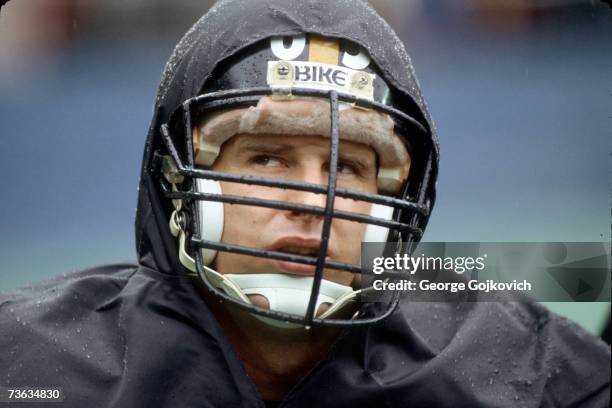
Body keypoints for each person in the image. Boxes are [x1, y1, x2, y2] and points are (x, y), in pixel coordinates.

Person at [1, 1, 609, 407]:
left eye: (345, 167)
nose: (311, 200)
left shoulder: (525, 361)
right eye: (266, 159)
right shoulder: (30, 363)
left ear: (393, 197)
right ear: (178, 182)